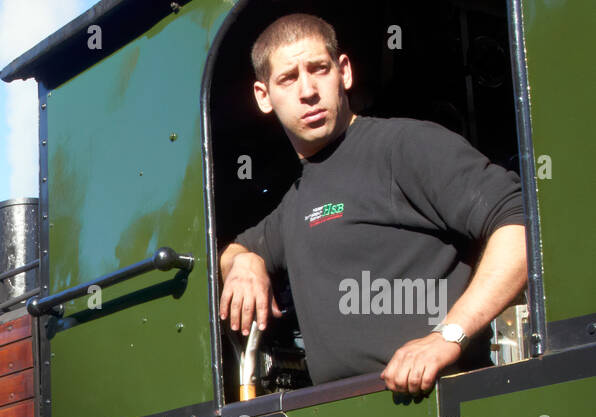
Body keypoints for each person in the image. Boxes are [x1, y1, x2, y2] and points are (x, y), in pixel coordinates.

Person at [218, 14, 528, 395]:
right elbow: (239, 247)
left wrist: (448, 335)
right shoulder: (297, 200)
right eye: (288, 78)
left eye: (318, 69)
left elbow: (520, 223)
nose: (308, 90)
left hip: (438, 412)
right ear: (264, 97)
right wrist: (244, 263)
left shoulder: (404, 146)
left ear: (344, 72)